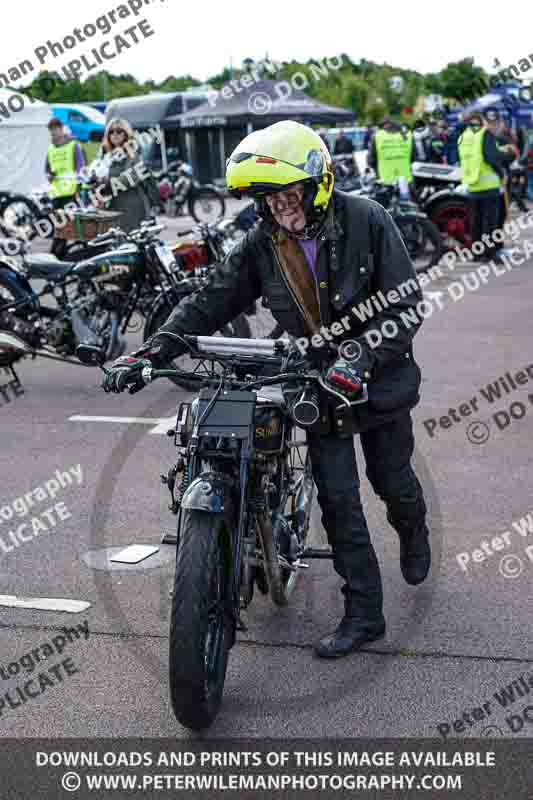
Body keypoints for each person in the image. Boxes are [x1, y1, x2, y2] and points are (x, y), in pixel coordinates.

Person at [102, 120, 431, 659]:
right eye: (269, 200)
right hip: (315, 383)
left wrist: (361, 356)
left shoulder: (367, 219)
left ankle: (413, 532)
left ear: (317, 185)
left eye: (289, 195)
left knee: (392, 480)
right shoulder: (263, 242)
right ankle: (364, 615)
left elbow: (405, 305)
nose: (281, 208)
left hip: (378, 379)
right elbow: (212, 298)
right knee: (339, 500)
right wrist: (153, 350)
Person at [91, 118, 161, 232]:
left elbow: (132, 177)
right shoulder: (105, 154)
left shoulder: (133, 152)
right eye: (111, 132)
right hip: (112, 207)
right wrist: (94, 181)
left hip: (133, 206)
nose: (115, 134)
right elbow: (97, 175)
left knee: (131, 243)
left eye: (119, 131)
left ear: (126, 133)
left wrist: (108, 185)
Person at [458, 111, 507, 262]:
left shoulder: (464, 136)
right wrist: (501, 172)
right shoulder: (485, 134)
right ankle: (490, 253)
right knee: (490, 222)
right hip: (489, 185)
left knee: (476, 223)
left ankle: (477, 253)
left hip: (472, 185)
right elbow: (490, 157)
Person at [45, 117, 86, 257]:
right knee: (60, 227)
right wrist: (49, 176)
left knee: (65, 226)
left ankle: (56, 254)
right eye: (51, 131)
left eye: (55, 130)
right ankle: (58, 255)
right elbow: (47, 169)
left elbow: (81, 166)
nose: (53, 134)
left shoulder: (73, 145)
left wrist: (80, 182)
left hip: (71, 192)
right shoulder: (50, 148)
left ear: (62, 129)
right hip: (56, 193)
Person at [368, 117, 414, 183]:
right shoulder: (407, 135)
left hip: (385, 180)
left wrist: (377, 172)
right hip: (406, 179)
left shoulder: (377, 136)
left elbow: (371, 160)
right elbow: (413, 157)